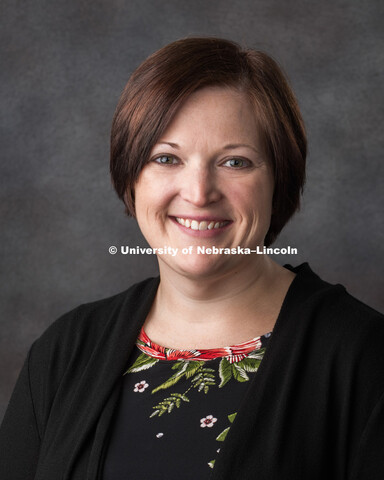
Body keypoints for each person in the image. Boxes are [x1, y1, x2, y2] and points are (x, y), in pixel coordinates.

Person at [1, 37, 383, 480]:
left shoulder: (365, 358)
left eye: (235, 162)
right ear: (131, 178)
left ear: (279, 179)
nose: (199, 193)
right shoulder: (64, 352)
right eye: (166, 158)